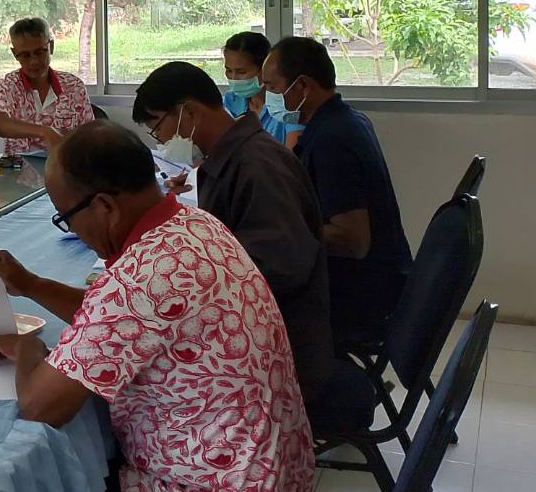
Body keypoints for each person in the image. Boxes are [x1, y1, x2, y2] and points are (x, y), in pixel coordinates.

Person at [0, 122, 314, 492]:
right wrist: (29, 285)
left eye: (67, 218)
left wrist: (27, 348)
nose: (72, 231)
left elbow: (42, 406)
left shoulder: (142, 279)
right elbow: (111, 318)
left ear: (104, 206)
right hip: (274, 490)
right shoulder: (194, 225)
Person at [132, 61, 332, 400]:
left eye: (158, 127)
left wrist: (188, 281)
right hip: (249, 333)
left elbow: (280, 267)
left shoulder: (257, 166)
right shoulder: (229, 158)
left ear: (188, 112)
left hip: (275, 355)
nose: (161, 140)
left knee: (146, 385)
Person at [263, 36, 412, 346]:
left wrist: (285, 230)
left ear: (303, 86)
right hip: (381, 284)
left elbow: (353, 240)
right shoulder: (345, 119)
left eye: (273, 88)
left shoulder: (333, 140)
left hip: (360, 300)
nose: (268, 98)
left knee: (257, 305)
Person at [0, 16, 95, 157]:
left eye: (40, 52)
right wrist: (45, 131)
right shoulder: (8, 86)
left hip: (64, 166)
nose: (34, 61)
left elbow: (90, 136)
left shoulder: (74, 86)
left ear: (51, 46)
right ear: (15, 54)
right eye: (25, 55)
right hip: (18, 168)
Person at [222, 30, 301, 147]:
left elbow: (293, 154)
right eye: (228, 70)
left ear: (264, 69)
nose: (233, 78)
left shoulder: (284, 104)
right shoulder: (230, 101)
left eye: (241, 72)